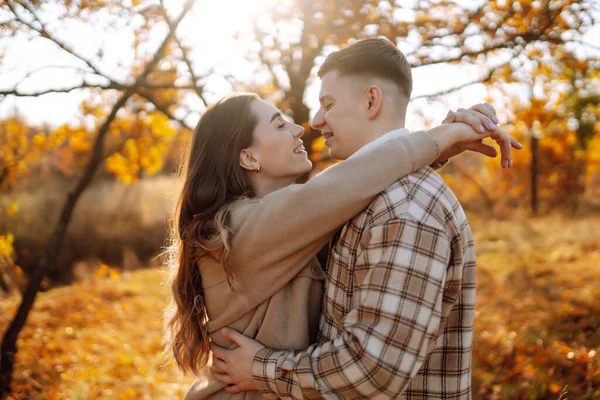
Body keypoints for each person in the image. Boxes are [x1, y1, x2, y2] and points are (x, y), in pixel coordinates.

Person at [208, 38, 520, 399]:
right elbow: (342, 185)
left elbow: (372, 370)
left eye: (328, 104)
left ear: (371, 100)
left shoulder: (405, 210)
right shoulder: (355, 201)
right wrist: (437, 142)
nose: (313, 122)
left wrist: (262, 368)